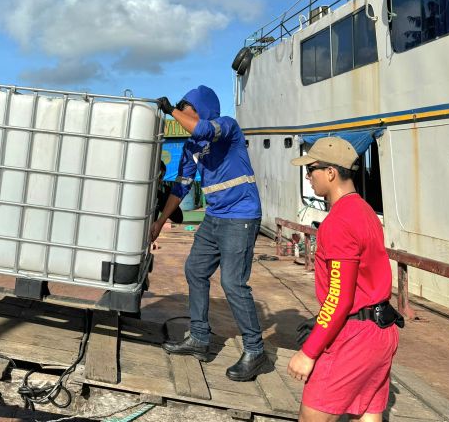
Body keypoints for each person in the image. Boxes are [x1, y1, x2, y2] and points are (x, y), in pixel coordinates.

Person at [152, 85, 267, 381]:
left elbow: (203, 128)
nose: (180, 115)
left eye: (185, 108)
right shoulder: (192, 146)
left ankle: (255, 351)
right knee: (195, 269)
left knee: (232, 282)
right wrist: (160, 222)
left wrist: (170, 110)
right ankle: (200, 339)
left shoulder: (226, 126)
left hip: (241, 216)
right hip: (215, 217)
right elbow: (181, 186)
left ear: (200, 108)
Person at [287, 137, 400, 422]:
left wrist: (308, 352)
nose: (308, 176)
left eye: (311, 169)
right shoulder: (366, 212)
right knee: (367, 414)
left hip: (354, 337)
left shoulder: (338, 222)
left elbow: (340, 298)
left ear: (330, 172)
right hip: (382, 332)